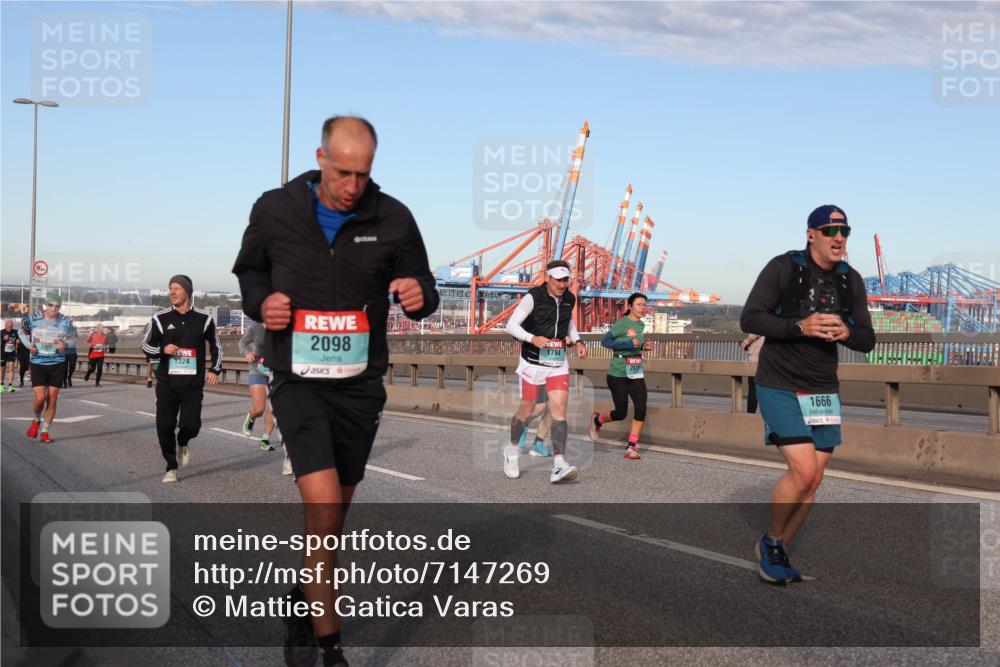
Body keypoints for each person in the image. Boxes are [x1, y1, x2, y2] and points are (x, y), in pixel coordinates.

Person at [233, 115, 439, 667]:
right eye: (343, 172)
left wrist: (418, 294)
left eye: (363, 174)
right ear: (320, 158)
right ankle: (333, 652)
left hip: (359, 388)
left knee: (332, 522)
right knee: (323, 510)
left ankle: (302, 604)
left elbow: (426, 286)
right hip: (297, 381)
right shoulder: (275, 209)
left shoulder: (393, 217)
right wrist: (262, 302)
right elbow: (250, 273)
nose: (352, 186)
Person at [740, 204, 875, 584]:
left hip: (822, 389)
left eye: (844, 231)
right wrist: (801, 326)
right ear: (811, 234)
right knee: (802, 470)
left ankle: (777, 546)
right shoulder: (783, 267)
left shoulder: (851, 279)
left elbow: (867, 338)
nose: (839, 238)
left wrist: (847, 333)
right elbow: (751, 317)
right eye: (830, 231)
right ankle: (772, 541)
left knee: (814, 479)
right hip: (779, 382)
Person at [503, 259, 587, 483]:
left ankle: (559, 464)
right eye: (558, 280)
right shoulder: (533, 297)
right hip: (532, 361)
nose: (562, 284)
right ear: (548, 278)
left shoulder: (569, 298)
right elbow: (511, 325)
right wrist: (532, 338)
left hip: (558, 363)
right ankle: (512, 450)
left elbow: (568, 323)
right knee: (527, 410)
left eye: (565, 280)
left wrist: (578, 341)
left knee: (559, 410)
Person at [140, 275, 222, 483]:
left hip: (192, 384)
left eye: (176, 288)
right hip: (167, 383)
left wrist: (215, 369)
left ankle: (183, 441)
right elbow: (145, 345)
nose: (172, 292)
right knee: (164, 426)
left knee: (192, 426)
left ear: (188, 291)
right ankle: (171, 467)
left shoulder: (204, 319)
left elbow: (216, 346)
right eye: (170, 288)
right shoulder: (160, 318)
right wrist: (163, 349)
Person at [589, 292, 653, 459]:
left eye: (644, 305)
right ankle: (597, 421)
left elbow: (636, 345)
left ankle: (631, 447)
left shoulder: (640, 325)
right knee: (621, 413)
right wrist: (627, 343)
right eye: (639, 304)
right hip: (618, 372)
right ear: (630, 306)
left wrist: (643, 347)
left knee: (641, 408)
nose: (642, 308)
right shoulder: (621, 324)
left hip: (635, 370)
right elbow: (605, 342)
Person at [18, 293, 76, 443]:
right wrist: (28, 345)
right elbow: (21, 332)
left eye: (57, 306)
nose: (54, 308)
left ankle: (45, 431)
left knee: (53, 399)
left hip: (58, 363)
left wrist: (65, 344)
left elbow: (72, 338)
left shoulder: (65, 321)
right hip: (38, 362)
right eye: (51, 305)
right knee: (40, 398)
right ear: (46, 305)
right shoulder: (34, 318)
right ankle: (36, 419)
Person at [239, 321, 276, 450]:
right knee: (259, 409)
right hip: (257, 371)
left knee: (273, 408)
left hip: (276, 373)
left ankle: (265, 440)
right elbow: (242, 343)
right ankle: (251, 417)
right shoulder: (256, 326)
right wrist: (247, 353)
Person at [740, 334, 765, 413]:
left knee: (753, 390)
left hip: (755, 361)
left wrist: (746, 342)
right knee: (764, 391)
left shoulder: (759, 326)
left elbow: (756, 332)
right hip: (765, 361)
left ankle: (750, 414)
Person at [2, 319, 19, 392]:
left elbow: (19, 339)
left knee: (11, 368)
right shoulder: (1, 332)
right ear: (5, 326)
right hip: (2, 353)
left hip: (11, 353)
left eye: (11, 326)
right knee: (2, 369)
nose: (9, 327)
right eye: (8, 326)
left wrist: (18, 341)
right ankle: (1, 385)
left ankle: (10, 386)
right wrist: (3, 339)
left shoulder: (15, 332)